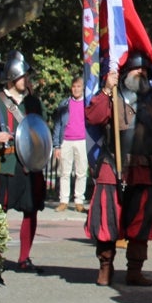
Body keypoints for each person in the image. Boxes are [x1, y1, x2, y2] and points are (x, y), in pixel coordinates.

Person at [85, 49, 152, 287]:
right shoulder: (112, 94)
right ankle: (106, 267)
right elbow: (94, 118)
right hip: (114, 167)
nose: (139, 72)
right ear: (125, 71)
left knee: (141, 222)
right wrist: (107, 89)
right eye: (135, 68)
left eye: (144, 70)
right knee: (109, 222)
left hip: (144, 168)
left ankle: (134, 270)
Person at [0, 50, 47, 273]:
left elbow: (40, 129)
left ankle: (24, 258)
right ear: (11, 78)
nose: (27, 80)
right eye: (23, 76)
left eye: (28, 76)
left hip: (29, 165)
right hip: (5, 164)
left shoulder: (35, 103)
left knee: (31, 210)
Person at [52, 76, 89, 212]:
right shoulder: (64, 104)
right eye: (74, 86)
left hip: (82, 140)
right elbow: (57, 125)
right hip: (66, 140)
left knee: (81, 172)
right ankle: (64, 201)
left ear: (83, 88)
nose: (76, 89)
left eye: (79, 86)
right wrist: (56, 145)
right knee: (64, 172)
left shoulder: (87, 104)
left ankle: (79, 201)